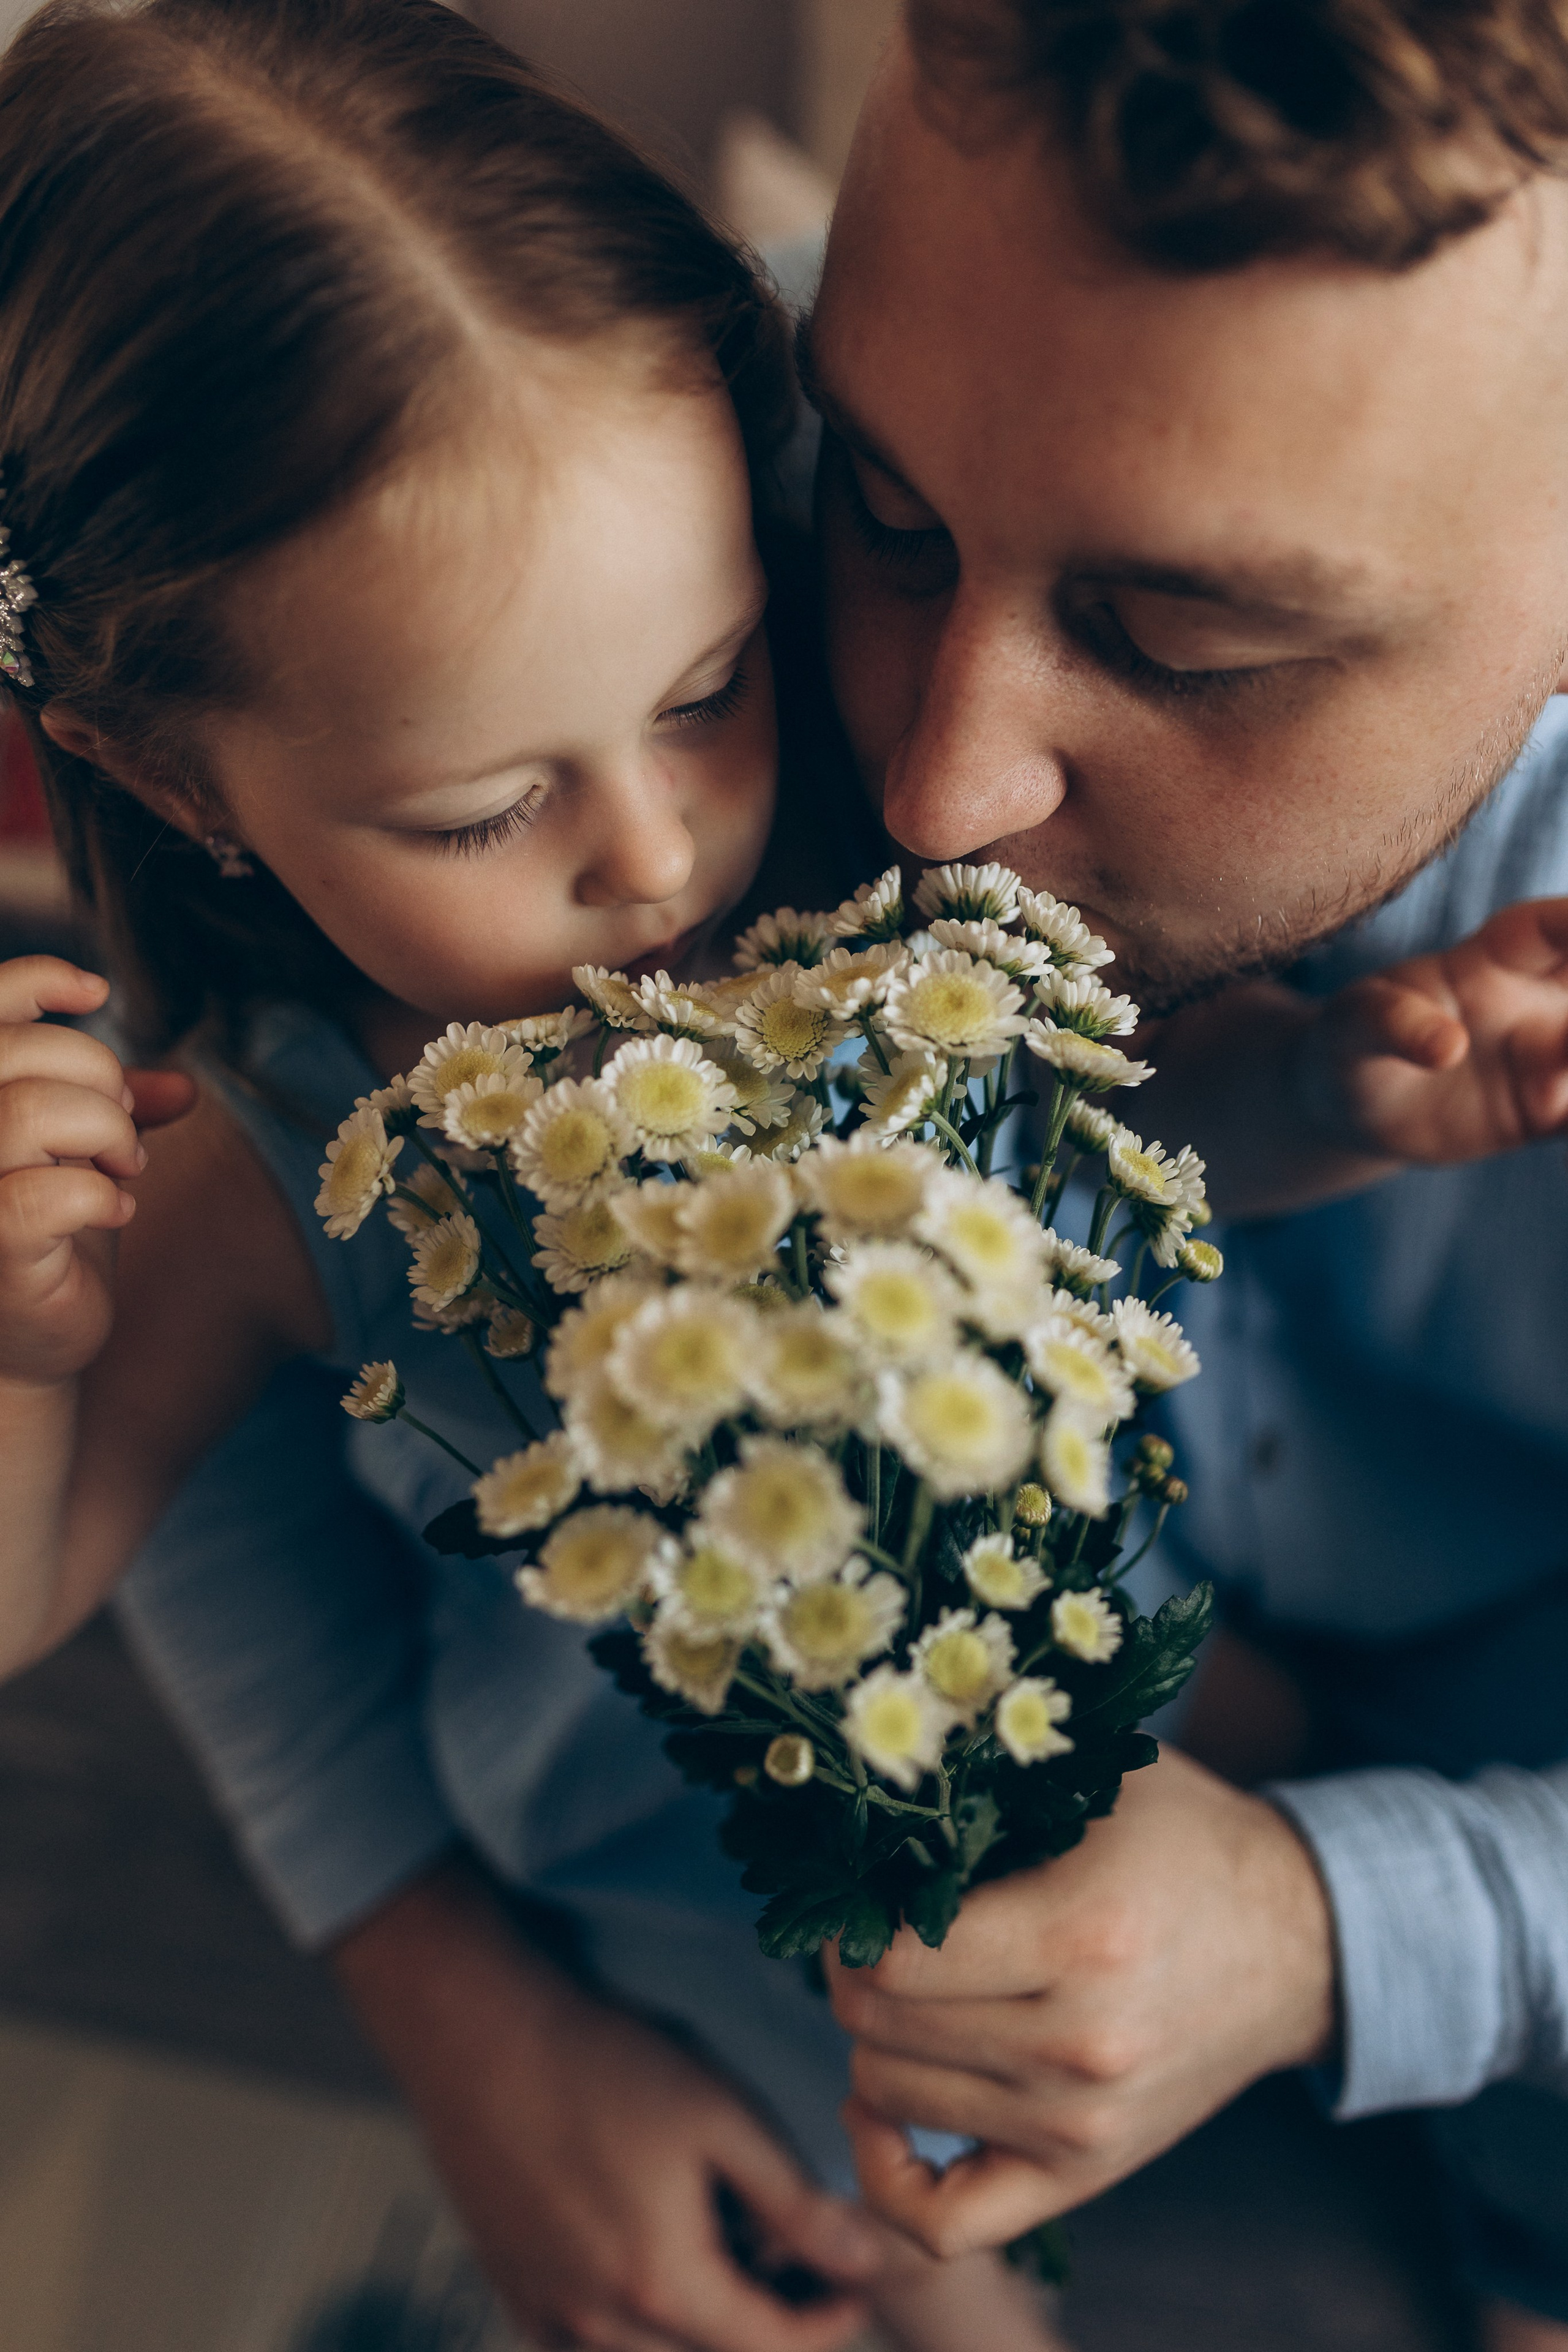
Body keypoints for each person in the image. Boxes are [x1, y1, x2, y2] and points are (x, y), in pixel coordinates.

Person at [0, 2, 1055, 2346]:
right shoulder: (280, 1164)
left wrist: (1349, 1103)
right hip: (720, 1899)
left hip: (1132, 1694)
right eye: (485, 810)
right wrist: (18, 1356)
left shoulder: (895, 858)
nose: (657, 850)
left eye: (709, 685)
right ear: (171, 782)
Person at [802, 4, 1568, 2345]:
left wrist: (1338, 1928)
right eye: (891, 524)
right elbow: (258, 1131)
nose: (940, 788)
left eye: (1171, 636)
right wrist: (438, 1980)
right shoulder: (696, 457)